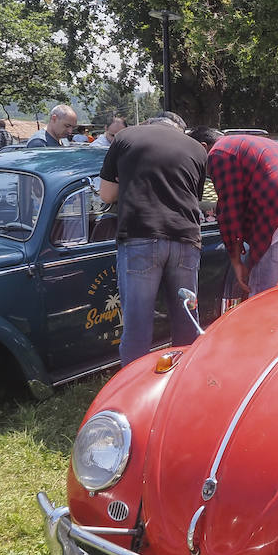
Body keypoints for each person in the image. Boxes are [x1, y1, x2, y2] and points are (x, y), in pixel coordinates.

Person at [98, 111, 208, 366]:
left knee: (137, 326)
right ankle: (183, 384)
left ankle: (132, 394)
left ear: (148, 123)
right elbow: (195, 195)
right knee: (187, 322)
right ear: (181, 129)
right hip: (186, 239)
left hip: (140, 236)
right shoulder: (197, 149)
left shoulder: (125, 137)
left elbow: (106, 195)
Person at [188, 129, 278, 296]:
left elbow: (230, 209)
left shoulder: (218, 153)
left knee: (265, 294)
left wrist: (236, 263)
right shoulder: (245, 142)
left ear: (202, 146)